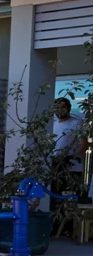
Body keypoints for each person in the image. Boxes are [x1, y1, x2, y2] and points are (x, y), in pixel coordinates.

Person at [51, 98, 84, 234]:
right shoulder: (52, 124)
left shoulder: (76, 123)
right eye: (57, 108)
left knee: (70, 198)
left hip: (71, 167)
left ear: (69, 108)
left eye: (63, 107)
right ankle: (56, 227)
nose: (60, 110)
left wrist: (74, 156)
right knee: (55, 196)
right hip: (55, 167)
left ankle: (70, 229)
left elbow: (83, 143)